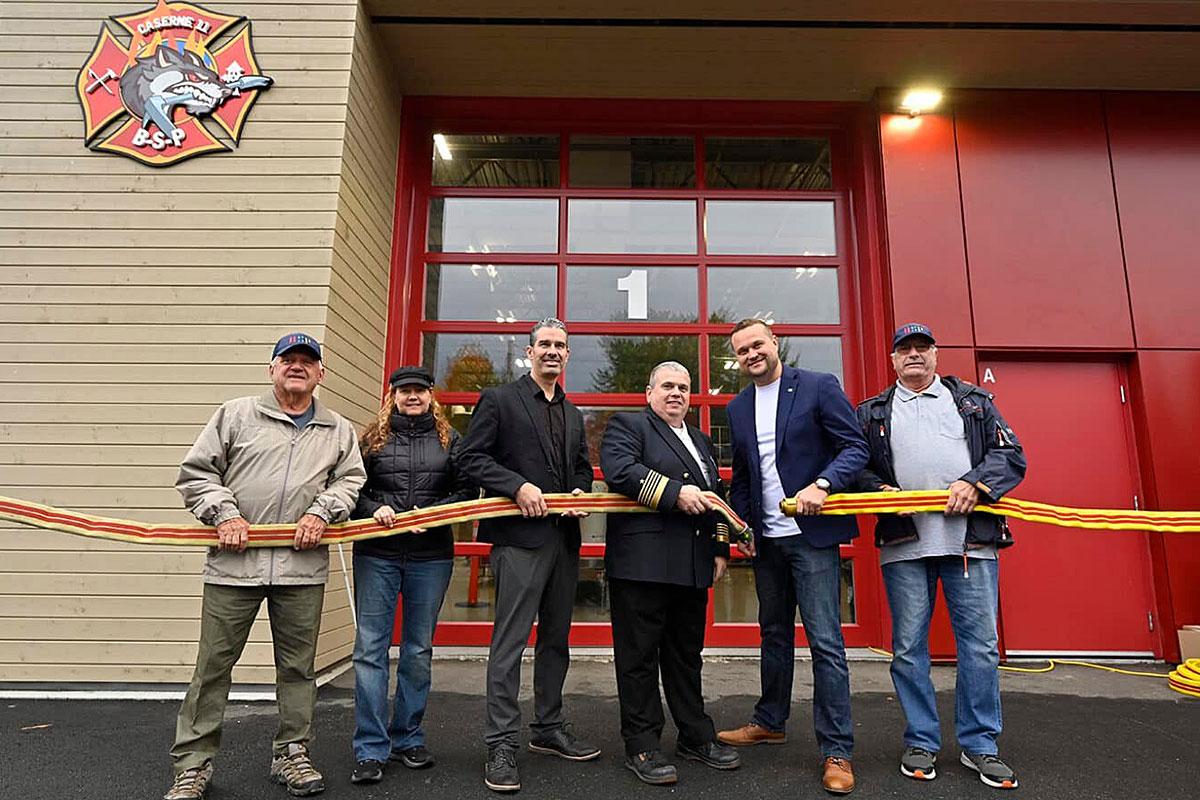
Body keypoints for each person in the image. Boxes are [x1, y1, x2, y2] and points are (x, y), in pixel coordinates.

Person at [166, 333, 366, 800]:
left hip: (301, 569)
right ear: (271, 369)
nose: (297, 367)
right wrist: (225, 512)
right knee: (213, 668)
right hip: (233, 566)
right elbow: (196, 473)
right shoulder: (235, 415)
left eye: (307, 362)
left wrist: (322, 511)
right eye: (288, 360)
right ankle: (193, 764)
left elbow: (351, 481)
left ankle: (292, 754)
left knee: (297, 669)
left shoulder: (338, 429)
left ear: (321, 374)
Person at [855, 323, 1026, 790]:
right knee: (909, 648)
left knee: (980, 648)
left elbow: (1012, 456)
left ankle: (980, 746)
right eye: (904, 350)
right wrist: (882, 492)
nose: (913, 355)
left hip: (971, 543)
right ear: (892, 360)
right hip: (904, 545)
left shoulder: (973, 402)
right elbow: (856, 466)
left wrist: (974, 483)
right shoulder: (871, 412)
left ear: (935, 354)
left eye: (921, 348)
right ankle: (921, 741)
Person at [717, 318, 869, 795]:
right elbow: (742, 476)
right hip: (767, 541)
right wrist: (740, 526)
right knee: (774, 634)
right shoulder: (738, 407)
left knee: (825, 642)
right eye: (741, 351)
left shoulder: (818, 386)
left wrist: (823, 484)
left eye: (756, 345)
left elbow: (855, 446)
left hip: (812, 538)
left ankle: (837, 751)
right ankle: (770, 720)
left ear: (775, 342)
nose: (750, 355)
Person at [456, 317, 599, 793]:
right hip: (519, 540)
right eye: (545, 345)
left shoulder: (574, 413)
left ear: (567, 355)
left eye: (561, 345)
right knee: (510, 643)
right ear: (530, 351)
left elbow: (582, 468)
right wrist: (516, 486)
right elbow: (471, 457)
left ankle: (548, 727)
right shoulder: (501, 400)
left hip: (563, 541)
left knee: (556, 640)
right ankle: (500, 743)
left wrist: (580, 491)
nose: (553, 352)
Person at [600, 362, 740, 786]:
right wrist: (676, 494)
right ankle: (641, 745)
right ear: (649, 392)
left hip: (692, 565)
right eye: (667, 386)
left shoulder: (699, 439)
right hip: (642, 566)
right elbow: (621, 472)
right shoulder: (628, 426)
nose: (676, 393)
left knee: (685, 658)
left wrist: (719, 547)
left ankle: (695, 736)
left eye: (683, 387)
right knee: (639, 659)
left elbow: (716, 494)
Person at [348, 365, 478, 785]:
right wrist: (374, 510)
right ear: (393, 396)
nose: (412, 397)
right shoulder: (371, 439)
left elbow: (467, 490)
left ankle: (408, 738)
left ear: (430, 396)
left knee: (418, 650)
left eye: (420, 390)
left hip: (430, 556)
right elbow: (352, 489)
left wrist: (436, 515)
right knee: (371, 650)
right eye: (405, 391)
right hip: (377, 553)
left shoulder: (449, 439)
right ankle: (370, 747)